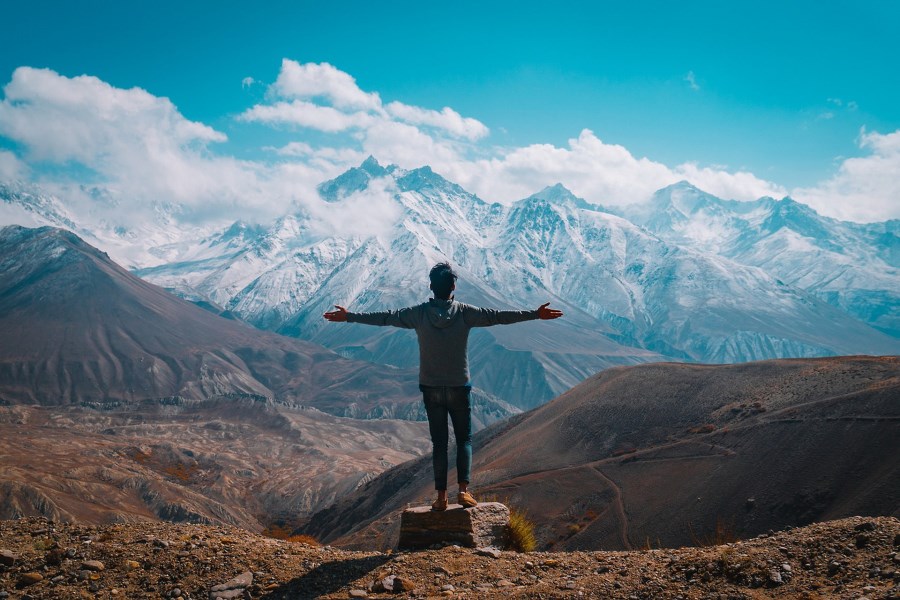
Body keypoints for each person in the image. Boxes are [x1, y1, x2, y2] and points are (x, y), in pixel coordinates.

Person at [323, 262, 563, 511]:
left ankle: (440, 498)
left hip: (431, 386)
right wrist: (536, 314)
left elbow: (386, 317)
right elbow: (498, 317)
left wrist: (349, 316)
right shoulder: (465, 312)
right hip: (459, 385)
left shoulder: (418, 313)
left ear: (431, 287)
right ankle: (463, 491)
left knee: (439, 443)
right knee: (464, 440)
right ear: (454, 287)